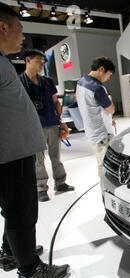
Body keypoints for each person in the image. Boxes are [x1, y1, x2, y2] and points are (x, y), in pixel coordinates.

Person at [0, 3, 69, 278]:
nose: (22, 36)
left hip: (14, 151)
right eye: (20, 28)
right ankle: (29, 271)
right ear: (2, 27)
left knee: (16, 209)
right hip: (10, 154)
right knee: (21, 211)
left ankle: (11, 254)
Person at [20, 49, 75, 202]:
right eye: (38, 61)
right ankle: (41, 188)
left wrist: (61, 121)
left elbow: (56, 101)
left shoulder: (47, 81)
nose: (41, 65)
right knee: (38, 160)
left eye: (43, 62)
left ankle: (61, 182)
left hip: (52, 123)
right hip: (33, 127)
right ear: (28, 60)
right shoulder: (20, 82)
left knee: (56, 157)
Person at [76, 56, 116, 176]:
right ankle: (105, 191)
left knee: (101, 162)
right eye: (109, 74)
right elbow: (111, 109)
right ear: (101, 69)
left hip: (91, 131)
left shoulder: (81, 82)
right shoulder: (97, 88)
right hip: (102, 134)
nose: (108, 78)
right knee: (105, 166)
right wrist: (110, 98)